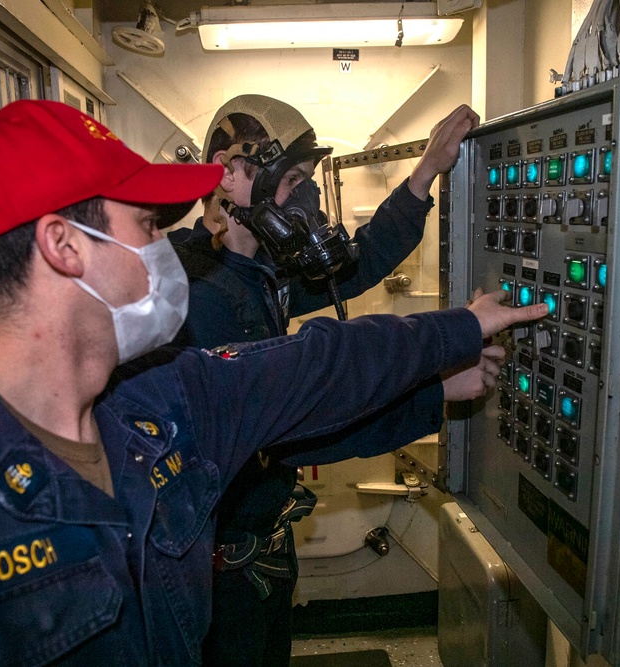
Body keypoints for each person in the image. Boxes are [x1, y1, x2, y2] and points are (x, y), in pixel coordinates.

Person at [0, 100, 546, 666]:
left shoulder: (161, 403)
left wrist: (453, 332)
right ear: (64, 246)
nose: (169, 248)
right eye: (148, 226)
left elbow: (316, 367)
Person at [171, 94, 489, 666]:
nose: (307, 197)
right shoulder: (202, 299)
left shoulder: (260, 273)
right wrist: (434, 393)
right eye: (292, 178)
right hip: (222, 574)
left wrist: (423, 176)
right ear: (228, 174)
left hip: (262, 554)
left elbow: (357, 264)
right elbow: (299, 430)